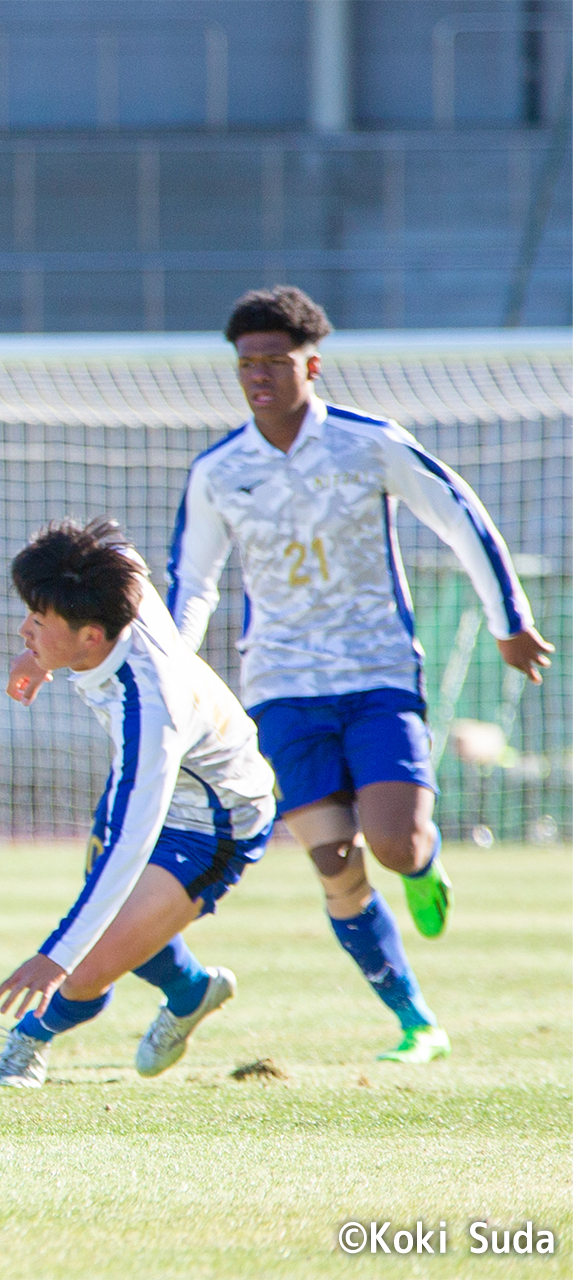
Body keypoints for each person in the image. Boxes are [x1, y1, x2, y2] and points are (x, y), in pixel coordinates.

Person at [157, 286, 554, 1063]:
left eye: (275, 361)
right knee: (335, 866)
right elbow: (191, 581)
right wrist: (173, 669)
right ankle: (416, 1023)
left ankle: (423, 865)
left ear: (312, 363)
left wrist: (510, 622)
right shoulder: (219, 471)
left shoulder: (368, 443)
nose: (259, 376)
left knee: (394, 844)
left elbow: (458, 513)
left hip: (377, 675)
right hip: (280, 689)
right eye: (247, 364)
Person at [0, 518, 275, 1087]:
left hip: (216, 821)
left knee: (85, 963)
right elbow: (112, 543)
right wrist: (43, 654)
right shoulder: (118, 588)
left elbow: (129, 848)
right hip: (153, 789)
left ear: (92, 636)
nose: (24, 630)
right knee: (112, 929)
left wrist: (55, 954)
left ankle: (30, 1039)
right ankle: (193, 990)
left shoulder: (149, 711)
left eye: (38, 621)